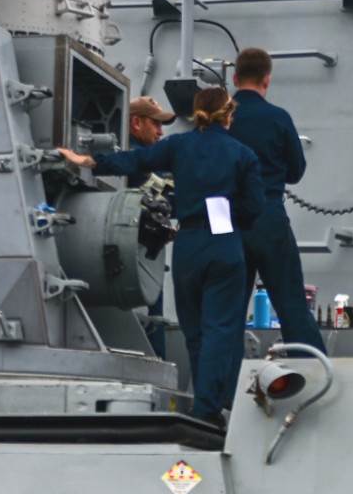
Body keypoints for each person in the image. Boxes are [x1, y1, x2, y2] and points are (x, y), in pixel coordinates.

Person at [59, 86, 263, 421]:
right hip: (224, 243)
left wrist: (90, 161)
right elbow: (254, 207)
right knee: (221, 330)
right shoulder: (243, 154)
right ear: (228, 116)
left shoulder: (179, 145)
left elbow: (136, 159)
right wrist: (226, 210)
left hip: (188, 245)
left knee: (194, 331)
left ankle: (205, 402)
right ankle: (211, 405)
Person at [228, 47, 326, 353]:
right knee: (291, 305)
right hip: (269, 215)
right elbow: (295, 171)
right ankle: (312, 374)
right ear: (266, 81)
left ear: (234, 77)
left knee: (227, 310)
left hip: (226, 219)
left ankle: (218, 388)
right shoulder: (278, 118)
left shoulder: (221, 119)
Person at [126, 95, 175, 356]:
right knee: (150, 329)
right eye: (155, 124)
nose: (160, 131)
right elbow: (164, 201)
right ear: (136, 123)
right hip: (139, 258)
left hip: (138, 255)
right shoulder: (139, 160)